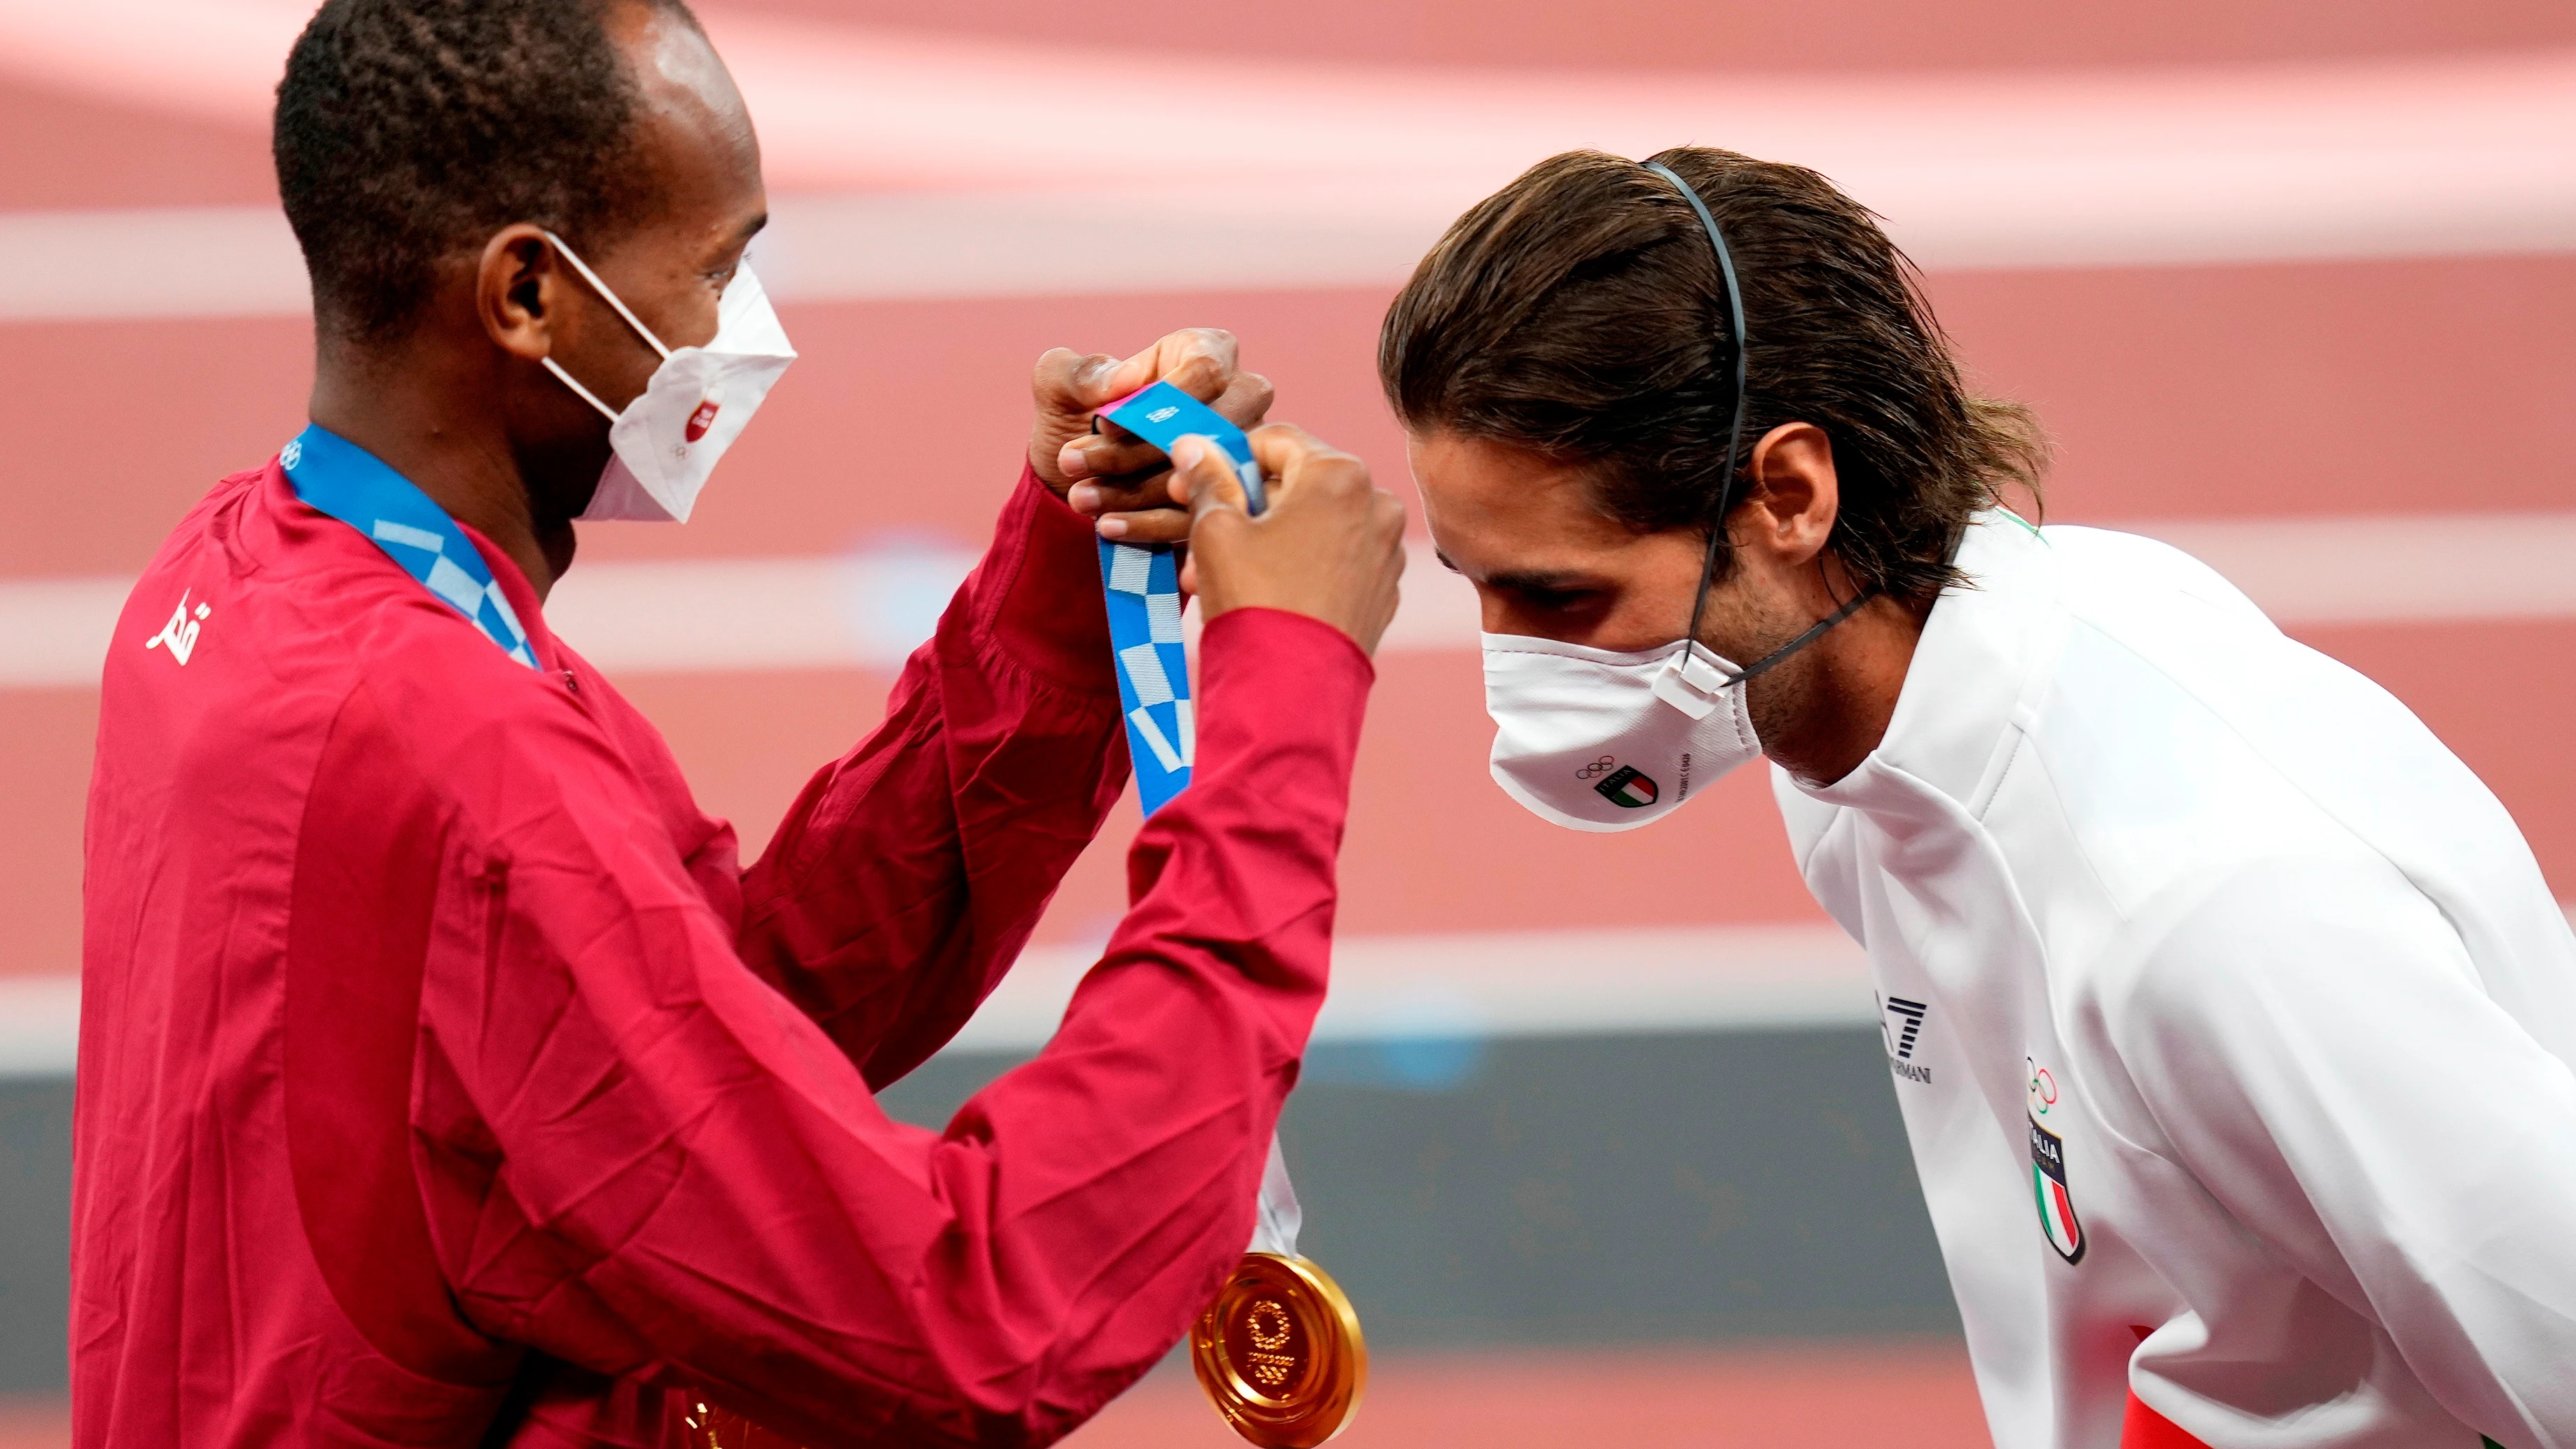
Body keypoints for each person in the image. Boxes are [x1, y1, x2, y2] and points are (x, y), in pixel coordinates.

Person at [73, 1, 1407, 1445]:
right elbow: (976, 1317)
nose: (740, 327)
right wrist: (1288, 678)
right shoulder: (468, 761)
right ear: (529, 295)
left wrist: (1060, 592)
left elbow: (696, 1025)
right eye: (717, 265)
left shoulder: (247, 577)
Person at [1378, 146, 2576, 1448]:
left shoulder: (2206, 917)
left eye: (1560, 598)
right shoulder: (1854, 738)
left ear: (1787, 495)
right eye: (1476, 585)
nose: (1515, 666)